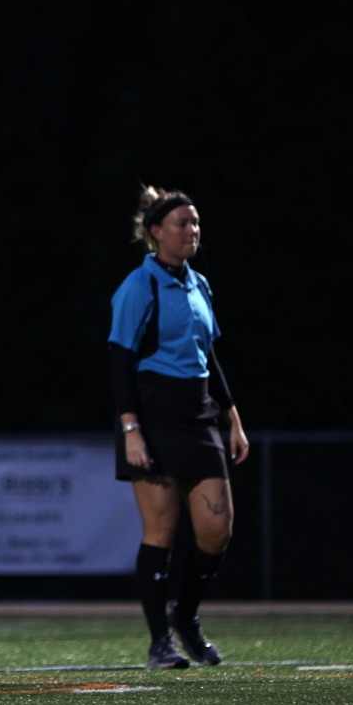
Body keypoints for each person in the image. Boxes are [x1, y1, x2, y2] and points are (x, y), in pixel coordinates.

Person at [107, 185, 249, 669]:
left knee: (216, 531)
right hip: (153, 415)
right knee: (161, 529)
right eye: (182, 224)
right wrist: (131, 430)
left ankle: (184, 617)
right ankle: (158, 644)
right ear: (155, 233)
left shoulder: (198, 284)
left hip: (199, 413)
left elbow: (209, 355)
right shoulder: (138, 286)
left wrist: (232, 419)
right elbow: (120, 360)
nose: (192, 231)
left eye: (195, 223)